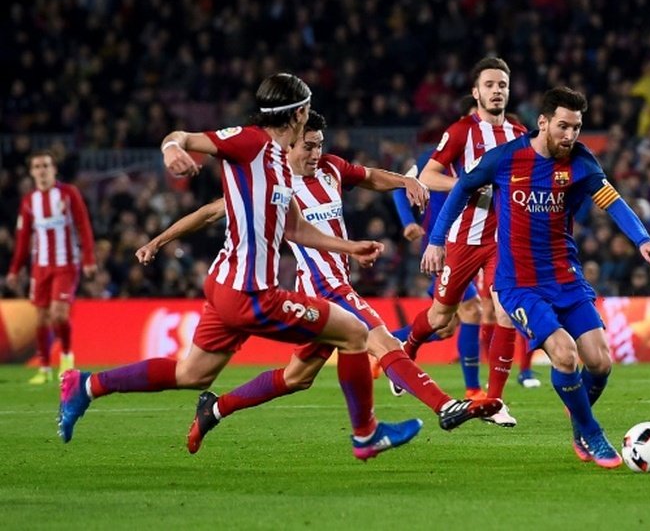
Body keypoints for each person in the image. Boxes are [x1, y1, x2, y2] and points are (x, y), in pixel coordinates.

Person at [58, 74, 421, 461]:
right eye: (307, 107)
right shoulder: (250, 142)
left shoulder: (281, 163)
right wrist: (171, 149)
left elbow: (295, 228)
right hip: (252, 292)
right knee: (354, 332)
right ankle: (365, 436)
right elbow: (182, 136)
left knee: (191, 375)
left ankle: (87, 385)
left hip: (225, 284)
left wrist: (349, 246)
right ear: (299, 113)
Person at [136, 110, 500, 452]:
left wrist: (404, 181)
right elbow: (206, 214)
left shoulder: (331, 169)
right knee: (381, 337)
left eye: (320, 144)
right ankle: (445, 406)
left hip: (333, 286)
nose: (315, 152)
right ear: (289, 144)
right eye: (308, 145)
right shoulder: (271, 181)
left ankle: (214, 410)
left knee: (297, 377)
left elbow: (369, 176)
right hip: (321, 289)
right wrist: (157, 241)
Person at [422, 87, 650, 468]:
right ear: (542, 123)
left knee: (601, 362)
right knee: (564, 353)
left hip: (566, 278)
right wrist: (437, 239)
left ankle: (578, 422)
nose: (570, 135)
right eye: (563, 126)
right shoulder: (506, 159)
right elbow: (462, 187)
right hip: (518, 284)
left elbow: (613, 202)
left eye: (576, 127)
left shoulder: (581, 163)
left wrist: (642, 239)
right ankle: (591, 431)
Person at [404, 57, 527, 426]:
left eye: (502, 85)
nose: (496, 91)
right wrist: (468, 184)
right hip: (464, 237)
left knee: (502, 310)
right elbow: (428, 175)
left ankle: (494, 400)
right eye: (489, 85)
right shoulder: (461, 131)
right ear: (476, 92)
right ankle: (407, 348)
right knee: (442, 316)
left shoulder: (520, 135)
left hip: (503, 240)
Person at [392, 95, 489, 399]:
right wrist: (408, 221)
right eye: (476, 118)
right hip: (443, 245)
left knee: (445, 325)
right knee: (472, 310)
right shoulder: (436, 158)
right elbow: (400, 185)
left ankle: (386, 350)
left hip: (475, 242)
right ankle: (473, 389)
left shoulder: (491, 157)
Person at [5, 150, 96, 384]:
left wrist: (89, 259)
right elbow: (23, 238)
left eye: (46, 165)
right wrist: (15, 269)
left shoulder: (68, 194)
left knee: (59, 313)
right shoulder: (29, 201)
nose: (42, 170)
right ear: (31, 172)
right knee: (41, 318)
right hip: (40, 266)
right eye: (37, 167)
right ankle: (44, 368)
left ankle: (66, 357)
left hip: (66, 263)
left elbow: (83, 225)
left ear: (54, 169)